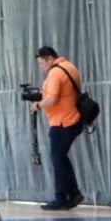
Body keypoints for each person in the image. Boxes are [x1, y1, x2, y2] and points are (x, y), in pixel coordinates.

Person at [29, 46, 85, 211]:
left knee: (58, 160)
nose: (42, 68)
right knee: (60, 158)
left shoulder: (55, 73)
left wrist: (37, 105)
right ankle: (72, 193)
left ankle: (62, 197)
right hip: (73, 119)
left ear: (48, 58)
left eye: (41, 64)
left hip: (62, 122)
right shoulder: (69, 67)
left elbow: (52, 99)